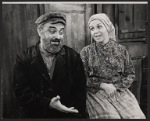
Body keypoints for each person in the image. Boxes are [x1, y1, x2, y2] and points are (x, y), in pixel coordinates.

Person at [13, 12, 87, 118]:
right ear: (40, 31)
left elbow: (79, 92)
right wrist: (48, 103)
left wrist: (69, 111)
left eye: (61, 32)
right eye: (52, 31)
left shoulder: (74, 57)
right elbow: (21, 91)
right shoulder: (24, 58)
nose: (58, 36)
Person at [80, 13, 146, 119]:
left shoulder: (121, 50)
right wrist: (102, 85)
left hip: (119, 91)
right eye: (92, 28)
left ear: (108, 28)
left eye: (99, 27)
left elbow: (130, 74)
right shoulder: (86, 52)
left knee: (137, 117)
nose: (95, 31)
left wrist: (115, 87)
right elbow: (81, 78)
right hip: (95, 93)